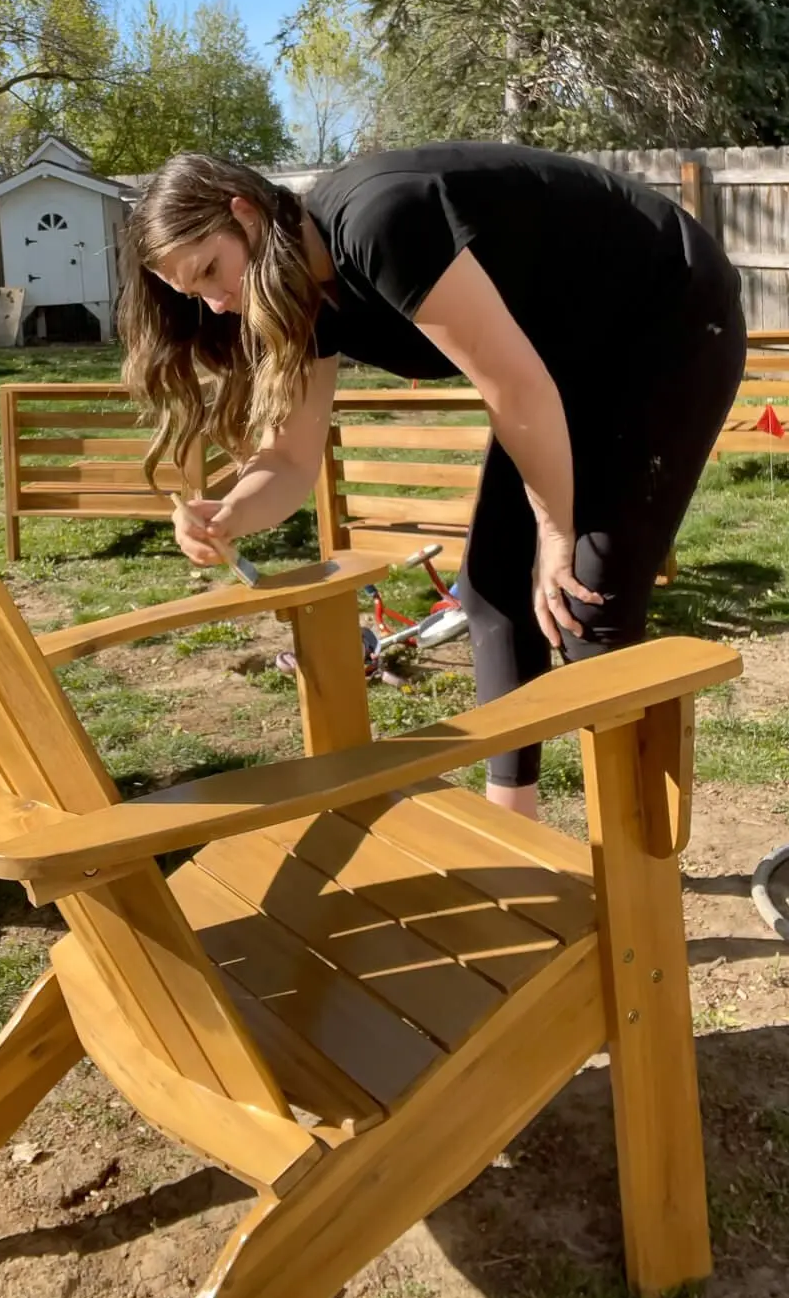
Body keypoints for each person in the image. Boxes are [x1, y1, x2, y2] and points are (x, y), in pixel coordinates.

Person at [119, 144, 746, 818]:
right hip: (562, 358)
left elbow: (513, 388)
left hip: (666, 313)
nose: (216, 305)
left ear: (246, 214)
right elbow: (292, 461)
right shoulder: (299, 297)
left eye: (212, 271)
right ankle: (515, 832)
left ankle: (639, 874)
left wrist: (558, 530)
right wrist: (230, 513)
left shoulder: (379, 222)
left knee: (586, 601)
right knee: (495, 593)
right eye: (196, 294)